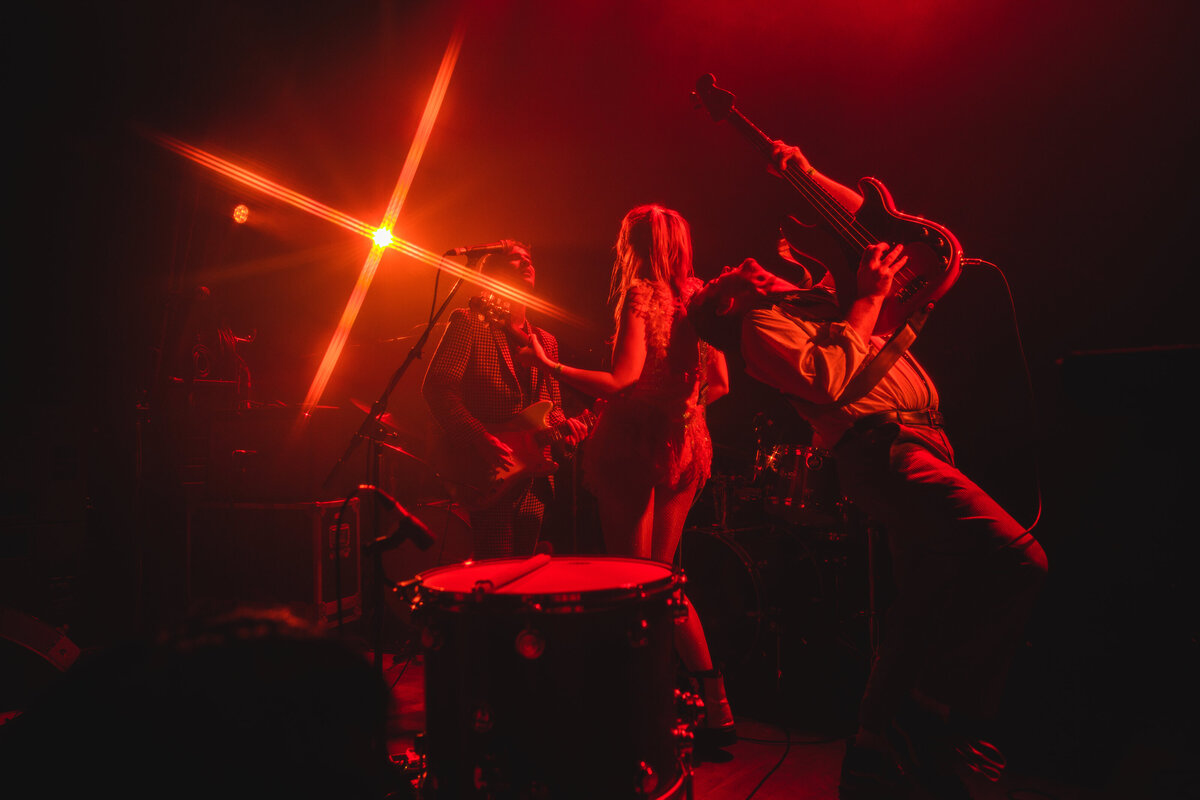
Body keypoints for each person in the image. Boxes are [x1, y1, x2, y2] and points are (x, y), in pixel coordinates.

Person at [686, 142, 1049, 799]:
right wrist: (868, 300)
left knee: (918, 610)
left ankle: (873, 749)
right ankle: (936, 711)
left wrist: (802, 172)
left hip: (925, 445)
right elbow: (829, 382)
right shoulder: (762, 330)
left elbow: (877, 225)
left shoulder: (822, 309)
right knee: (1021, 559)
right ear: (729, 307)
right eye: (746, 276)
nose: (759, 270)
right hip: (884, 453)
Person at [515, 204, 735, 743]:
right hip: (687, 443)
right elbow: (722, 382)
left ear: (632, 247)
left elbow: (621, 380)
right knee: (663, 579)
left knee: (633, 579)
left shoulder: (642, 295)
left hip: (636, 441)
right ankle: (716, 707)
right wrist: (685, 409)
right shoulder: (701, 298)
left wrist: (549, 367)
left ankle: (639, 709)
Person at [422, 241, 589, 559]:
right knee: (495, 574)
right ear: (493, 271)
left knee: (522, 574)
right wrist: (479, 438)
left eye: (529, 258)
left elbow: (552, 409)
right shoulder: (470, 322)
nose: (527, 263)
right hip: (486, 471)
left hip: (534, 480)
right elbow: (437, 388)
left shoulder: (546, 342)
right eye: (515, 259)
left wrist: (568, 431)